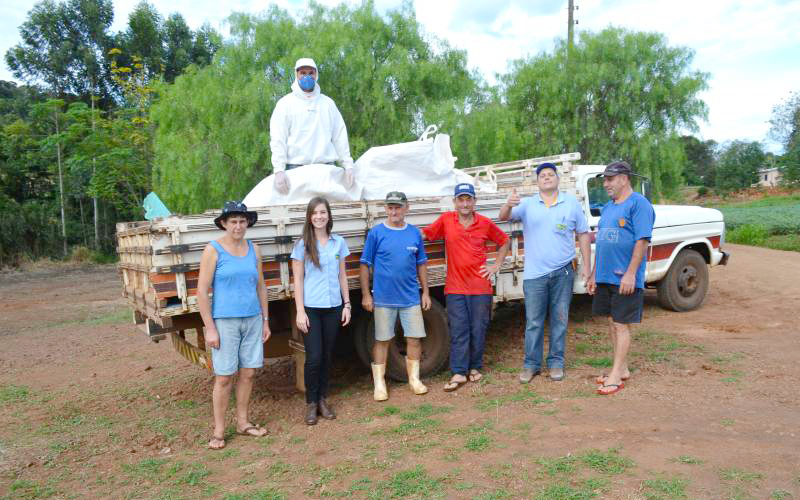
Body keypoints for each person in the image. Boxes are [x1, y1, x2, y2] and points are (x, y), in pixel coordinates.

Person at [499, 162, 591, 383]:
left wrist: (587, 265)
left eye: (551, 174)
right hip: (535, 275)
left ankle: (556, 362)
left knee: (560, 319)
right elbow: (504, 217)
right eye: (543, 175)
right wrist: (508, 204)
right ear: (537, 182)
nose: (547, 177)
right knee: (534, 322)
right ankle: (531, 365)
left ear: (558, 179)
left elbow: (583, 234)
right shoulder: (528, 204)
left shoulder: (571, 203)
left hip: (563, 272)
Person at [197, 201, 271, 450]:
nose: (238, 226)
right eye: (233, 222)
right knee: (225, 376)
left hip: (252, 318)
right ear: (224, 224)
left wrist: (265, 320)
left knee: (249, 372)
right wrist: (210, 327)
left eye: (242, 221)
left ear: (247, 223)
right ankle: (218, 431)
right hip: (225, 321)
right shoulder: (213, 249)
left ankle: (242, 422)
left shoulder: (254, 249)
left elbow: (261, 286)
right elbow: (201, 291)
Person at [423, 183, 510, 391]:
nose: (464, 203)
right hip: (455, 287)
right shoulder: (446, 221)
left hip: (480, 287)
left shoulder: (484, 223)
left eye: (468, 199)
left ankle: (475, 367)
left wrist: (496, 265)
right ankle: (459, 372)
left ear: (474, 202)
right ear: (454, 202)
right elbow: (425, 235)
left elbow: (504, 240)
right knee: (459, 330)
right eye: (460, 199)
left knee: (478, 329)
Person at [586, 161, 655, 395]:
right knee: (611, 321)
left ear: (624, 178)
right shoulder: (608, 207)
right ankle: (621, 368)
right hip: (605, 276)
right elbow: (603, 242)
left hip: (624, 277)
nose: (606, 184)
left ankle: (616, 376)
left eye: (610, 179)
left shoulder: (639, 204)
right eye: (605, 179)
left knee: (620, 324)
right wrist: (594, 274)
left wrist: (631, 273)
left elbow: (642, 240)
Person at [360, 191, 430, 401]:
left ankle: (414, 379)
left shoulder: (414, 233)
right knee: (382, 340)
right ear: (385, 209)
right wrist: (366, 295)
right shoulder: (376, 233)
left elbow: (421, 263)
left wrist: (425, 291)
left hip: (410, 297)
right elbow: (365, 264)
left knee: (414, 339)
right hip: (383, 298)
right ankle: (379, 384)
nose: (394, 211)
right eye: (390, 207)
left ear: (406, 208)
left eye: (398, 207)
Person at [291, 197, 351, 425]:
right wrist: (299, 311)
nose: (319, 216)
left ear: (328, 215)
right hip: (311, 309)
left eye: (323, 212)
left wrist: (347, 304)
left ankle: (323, 399)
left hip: (334, 307)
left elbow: (342, 275)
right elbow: (297, 280)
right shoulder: (302, 246)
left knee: (327, 356)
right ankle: (311, 403)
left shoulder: (338, 243)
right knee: (314, 358)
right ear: (309, 217)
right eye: (315, 213)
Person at [269, 57, 354, 195]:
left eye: (310, 73)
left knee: (323, 214)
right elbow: (278, 139)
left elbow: (340, 136)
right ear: (296, 75)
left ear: (316, 75)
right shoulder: (285, 104)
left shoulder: (327, 104)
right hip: (295, 171)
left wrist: (348, 165)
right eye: (303, 73)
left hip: (326, 170)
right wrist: (279, 170)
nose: (307, 76)